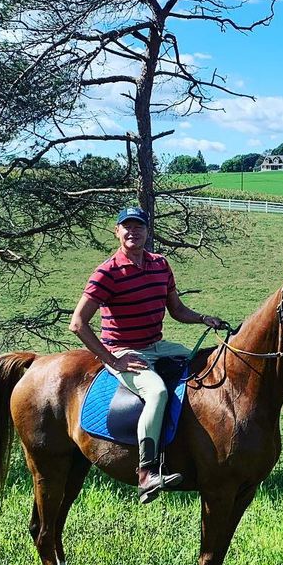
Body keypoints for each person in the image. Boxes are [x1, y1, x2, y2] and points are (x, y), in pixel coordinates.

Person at [69, 207, 227, 503]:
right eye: (127, 227)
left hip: (157, 345)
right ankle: (146, 473)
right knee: (156, 392)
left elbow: (176, 310)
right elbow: (77, 323)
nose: (133, 232)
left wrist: (204, 318)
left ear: (147, 230)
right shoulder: (106, 273)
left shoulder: (160, 265)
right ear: (117, 231)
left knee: (207, 364)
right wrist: (113, 360)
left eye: (138, 226)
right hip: (124, 350)